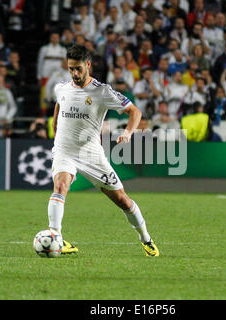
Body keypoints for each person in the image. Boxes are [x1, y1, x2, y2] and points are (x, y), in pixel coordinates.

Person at [48, 44, 159, 256]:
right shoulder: (61, 88)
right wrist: (55, 127)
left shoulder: (102, 92)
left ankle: (146, 238)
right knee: (60, 186)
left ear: (88, 65)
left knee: (122, 199)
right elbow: (59, 104)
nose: (74, 73)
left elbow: (135, 112)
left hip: (91, 154)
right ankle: (56, 238)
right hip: (64, 151)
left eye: (78, 68)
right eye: (71, 68)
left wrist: (127, 133)